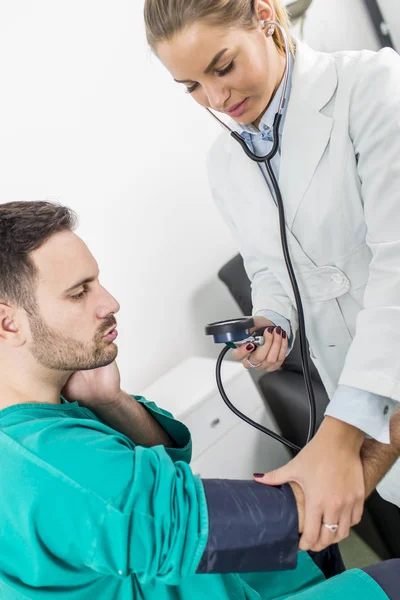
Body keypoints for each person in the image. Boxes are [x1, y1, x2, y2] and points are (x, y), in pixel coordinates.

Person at [0, 200, 399, 600]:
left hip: (205, 574)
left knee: (312, 553)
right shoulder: (56, 463)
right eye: (78, 293)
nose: (110, 303)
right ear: (8, 322)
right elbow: (313, 507)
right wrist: (391, 420)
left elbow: (166, 471)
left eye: (97, 282)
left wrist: (111, 400)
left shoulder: (47, 412)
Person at [143, 0, 400, 551]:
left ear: (265, 16)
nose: (215, 99)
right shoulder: (227, 163)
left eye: (222, 66)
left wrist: (341, 428)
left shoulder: (372, 88)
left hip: (370, 389)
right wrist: (272, 319)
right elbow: (269, 265)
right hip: (362, 387)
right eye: (190, 86)